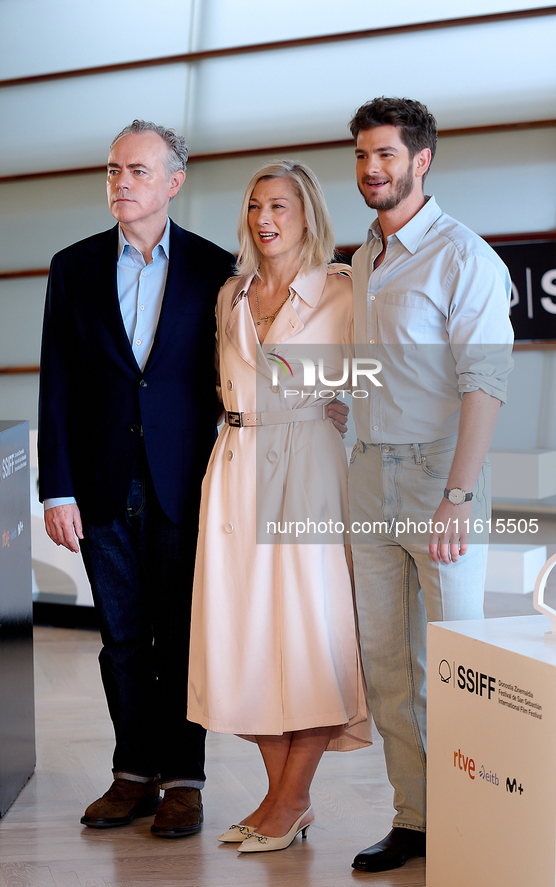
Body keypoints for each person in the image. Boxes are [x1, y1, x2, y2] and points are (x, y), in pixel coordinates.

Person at [38, 120, 234, 836]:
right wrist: (56, 487)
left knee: (181, 636)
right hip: (99, 485)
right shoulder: (74, 266)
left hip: (186, 481)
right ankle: (132, 773)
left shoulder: (219, 268)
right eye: (114, 170)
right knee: (121, 636)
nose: (121, 182)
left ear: (174, 182)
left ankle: (184, 778)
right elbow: (55, 381)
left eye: (138, 171)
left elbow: (231, 381)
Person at [346, 97, 513, 872]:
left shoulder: (464, 257)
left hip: (439, 481)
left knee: (458, 667)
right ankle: (415, 817)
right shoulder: (361, 259)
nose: (371, 169)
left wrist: (457, 493)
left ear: (422, 160)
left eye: (385, 154)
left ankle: (479, 821)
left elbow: (485, 384)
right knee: (386, 669)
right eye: (361, 155)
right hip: (368, 474)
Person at [186, 160, 371, 854]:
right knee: (243, 640)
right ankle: (281, 800)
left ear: (307, 213)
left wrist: (339, 403)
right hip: (232, 468)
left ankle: (287, 799)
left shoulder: (342, 288)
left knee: (311, 638)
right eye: (257, 205)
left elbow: (386, 375)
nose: (265, 219)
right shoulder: (230, 294)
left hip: (308, 469)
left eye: (281, 207)